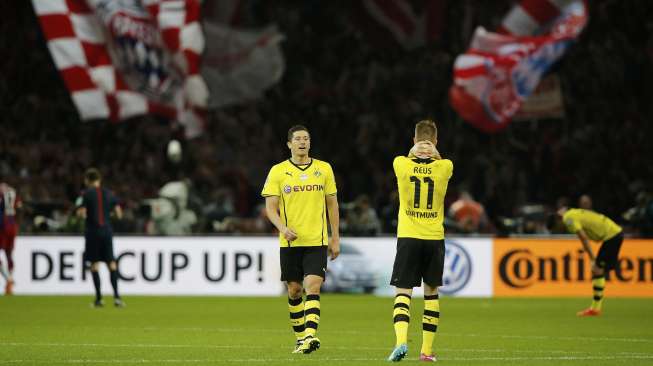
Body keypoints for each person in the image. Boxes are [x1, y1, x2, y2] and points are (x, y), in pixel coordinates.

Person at [261, 125, 340, 354]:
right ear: (289, 144)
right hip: (290, 242)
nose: (302, 142)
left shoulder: (324, 169)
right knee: (295, 290)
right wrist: (282, 228)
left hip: (317, 240)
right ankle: (299, 339)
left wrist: (335, 238)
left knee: (312, 287)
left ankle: (309, 337)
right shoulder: (278, 171)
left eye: (306, 138)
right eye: (298, 139)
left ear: (310, 143)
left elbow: (332, 205)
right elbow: (270, 208)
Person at [387, 120, 453, 363]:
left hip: (408, 236)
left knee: (403, 292)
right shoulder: (445, 166)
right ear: (436, 143)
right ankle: (426, 351)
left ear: (413, 142)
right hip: (434, 238)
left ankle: (401, 342)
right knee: (431, 294)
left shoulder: (400, 163)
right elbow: (440, 160)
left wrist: (414, 152)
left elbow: (407, 158)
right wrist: (433, 153)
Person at [558, 206, 624, 316]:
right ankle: (595, 308)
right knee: (599, 269)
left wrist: (592, 257)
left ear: (557, 221)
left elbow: (583, 237)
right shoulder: (572, 213)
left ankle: (595, 309)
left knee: (597, 269)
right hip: (614, 233)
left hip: (612, 235)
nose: (559, 229)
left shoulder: (567, 219)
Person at [75, 168, 125, 308]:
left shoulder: (86, 194)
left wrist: (82, 214)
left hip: (93, 232)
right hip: (107, 232)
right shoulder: (110, 194)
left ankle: (99, 299)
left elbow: (81, 213)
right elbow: (119, 214)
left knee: (95, 264)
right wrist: (109, 216)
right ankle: (117, 298)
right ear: (99, 179)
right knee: (111, 263)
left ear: (87, 180)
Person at [0, 181, 22, 295]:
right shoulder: (14, 194)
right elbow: (19, 207)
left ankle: (8, 279)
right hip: (13, 224)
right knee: (9, 255)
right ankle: (9, 285)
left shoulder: (1, 194)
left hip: (3, 225)